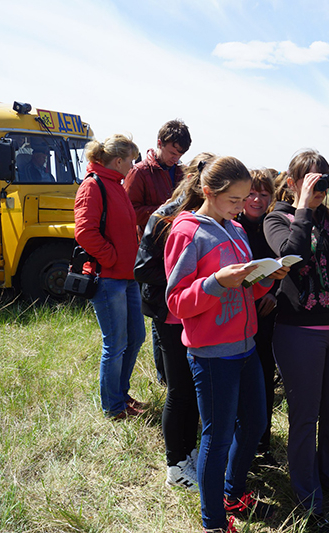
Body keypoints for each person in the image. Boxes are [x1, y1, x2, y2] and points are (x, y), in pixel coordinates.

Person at [164, 156, 287, 533]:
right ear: (208, 193)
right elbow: (176, 302)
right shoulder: (187, 233)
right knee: (217, 437)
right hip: (213, 354)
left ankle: (233, 492)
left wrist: (267, 277)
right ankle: (214, 521)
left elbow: (244, 288)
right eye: (234, 200)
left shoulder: (235, 230)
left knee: (254, 424)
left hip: (246, 345)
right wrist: (217, 281)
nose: (241, 207)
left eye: (245, 198)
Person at [263, 149, 329, 529]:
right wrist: (303, 208)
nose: (320, 188)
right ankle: (309, 499)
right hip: (299, 333)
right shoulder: (278, 218)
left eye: (323, 179)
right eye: (312, 180)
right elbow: (292, 256)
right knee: (305, 420)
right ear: (292, 183)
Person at [133, 152, 216, 491]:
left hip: (196, 313)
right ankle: (175, 466)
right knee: (180, 389)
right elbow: (142, 269)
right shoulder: (166, 216)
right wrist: (182, 280)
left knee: (194, 391)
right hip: (171, 315)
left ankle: (189, 452)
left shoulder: (205, 218)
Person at [74, 134, 145, 420]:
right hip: (108, 278)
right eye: (130, 160)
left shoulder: (114, 185)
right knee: (115, 343)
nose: (133, 166)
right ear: (118, 161)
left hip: (126, 277)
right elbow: (85, 232)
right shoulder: (93, 186)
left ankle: (120, 394)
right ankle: (113, 407)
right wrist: (111, 258)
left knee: (135, 336)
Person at [124, 119, 192, 384]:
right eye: (173, 153)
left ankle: (175, 369)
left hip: (179, 248)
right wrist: (161, 211)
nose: (176, 159)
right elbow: (129, 212)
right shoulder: (140, 173)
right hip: (154, 251)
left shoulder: (182, 172)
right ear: (159, 143)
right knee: (159, 314)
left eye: (180, 155)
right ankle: (164, 376)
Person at [234, 168, 281, 466]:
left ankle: (263, 442)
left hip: (265, 314)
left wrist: (274, 292)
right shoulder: (231, 225)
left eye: (264, 194)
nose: (257, 199)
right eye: (252, 193)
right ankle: (238, 445)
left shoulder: (273, 226)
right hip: (236, 313)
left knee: (264, 376)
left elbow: (285, 266)